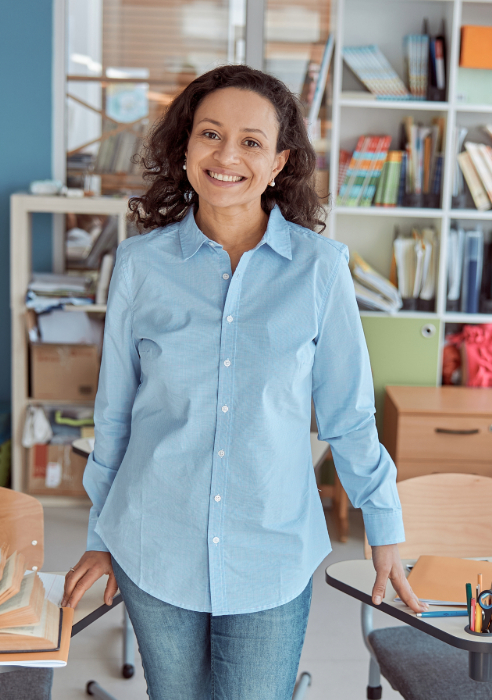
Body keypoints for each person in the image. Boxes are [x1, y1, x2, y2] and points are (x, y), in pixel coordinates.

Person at [60, 64, 426, 697]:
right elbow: (116, 415)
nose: (227, 155)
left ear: (280, 161)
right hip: (154, 542)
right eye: (210, 134)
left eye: (252, 141)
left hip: (272, 551)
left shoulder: (320, 270)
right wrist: (100, 534)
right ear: (184, 146)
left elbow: (348, 416)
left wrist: (382, 524)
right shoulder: (140, 265)